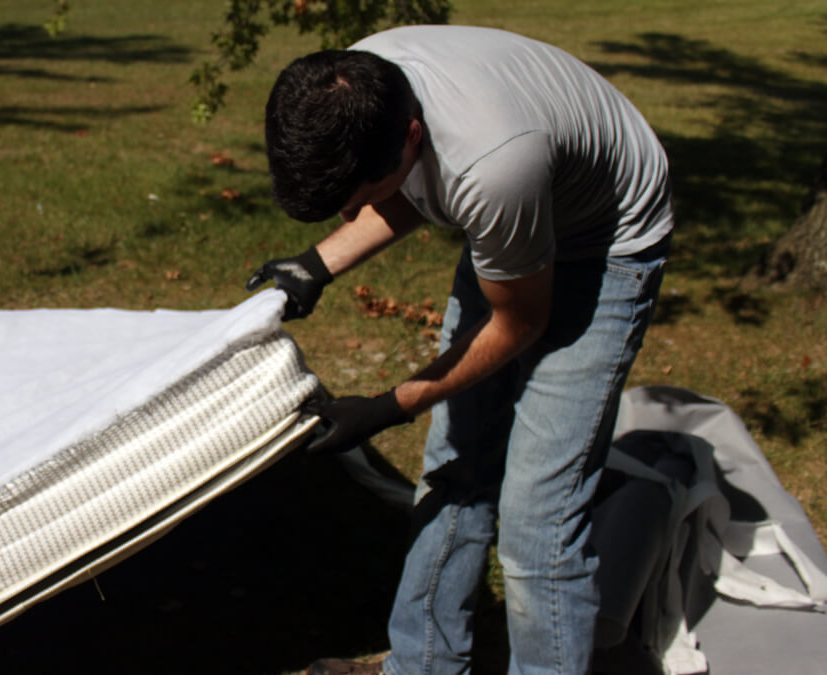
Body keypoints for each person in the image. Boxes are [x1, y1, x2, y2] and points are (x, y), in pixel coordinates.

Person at [246, 25, 674, 675]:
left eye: (355, 204)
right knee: (456, 465)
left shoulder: (494, 163)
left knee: (539, 521)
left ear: (412, 139)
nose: (348, 219)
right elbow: (416, 188)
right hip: (514, 209)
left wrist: (392, 404)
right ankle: (422, 665)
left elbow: (520, 322)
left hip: (605, 240)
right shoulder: (363, 82)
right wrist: (315, 265)